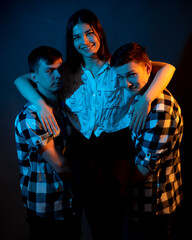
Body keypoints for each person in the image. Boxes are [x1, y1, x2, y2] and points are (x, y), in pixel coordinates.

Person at [14, 9, 176, 240]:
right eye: (76, 37)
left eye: (89, 33)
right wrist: (40, 104)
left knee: (114, 220)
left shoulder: (118, 65)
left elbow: (168, 68)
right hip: (81, 149)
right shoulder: (66, 71)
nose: (84, 41)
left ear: (99, 33)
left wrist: (147, 98)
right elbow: (21, 79)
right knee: (87, 219)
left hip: (117, 146)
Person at [110, 42, 184, 240]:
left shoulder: (160, 112)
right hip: (141, 204)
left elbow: (144, 171)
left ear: (149, 69)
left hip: (154, 206)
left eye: (131, 75)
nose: (126, 84)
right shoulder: (142, 92)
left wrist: (114, 180)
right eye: (120, 77)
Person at [14, 46, 81, 240]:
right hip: (47, 208)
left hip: (69, 204)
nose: (58, 75)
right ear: (34, 78)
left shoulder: (61, 106)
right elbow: (60, 165)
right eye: (49, 71)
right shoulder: (31, 117)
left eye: (60, 69)